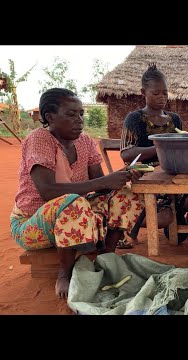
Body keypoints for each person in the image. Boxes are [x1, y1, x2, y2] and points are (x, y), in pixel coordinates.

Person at [10, 88, 145, 299]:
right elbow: (48, 192)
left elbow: (101, 186)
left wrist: (122, 176)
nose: (80, 120)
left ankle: (106, 256)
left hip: (74, 218)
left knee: (127, 195)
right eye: (71, 114)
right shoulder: (39, 140)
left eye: (81, 113)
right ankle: (65, 272)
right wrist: (104, 181)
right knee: (72, 202)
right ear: (50, 117)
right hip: (33, 224)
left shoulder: (85, 142)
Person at [119, 63, 188, 246]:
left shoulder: (174, 119)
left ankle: (186, 220)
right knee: (164, 218)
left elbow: (181, 150)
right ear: (143, 93)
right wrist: (162, 147)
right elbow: (127, 154)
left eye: (165, 93)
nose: (162, 97)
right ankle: (125, 224)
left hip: (174, 176)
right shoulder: (134, 119)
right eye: (156, 93)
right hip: (146, 179)